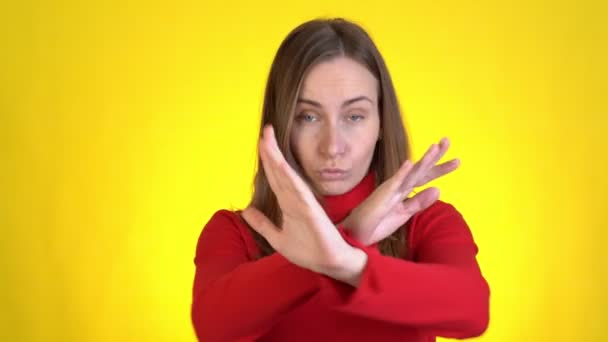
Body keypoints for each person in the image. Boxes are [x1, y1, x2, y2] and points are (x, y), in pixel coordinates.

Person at [191, 17, 490, 341]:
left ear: (381, 124)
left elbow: (472, 312)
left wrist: (345, 259)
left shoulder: (428, 223)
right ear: (279, 127)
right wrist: (350, 234)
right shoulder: (235, 233)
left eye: (354, 116)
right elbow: (213, 327)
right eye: (308, 116)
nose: (332, 146)